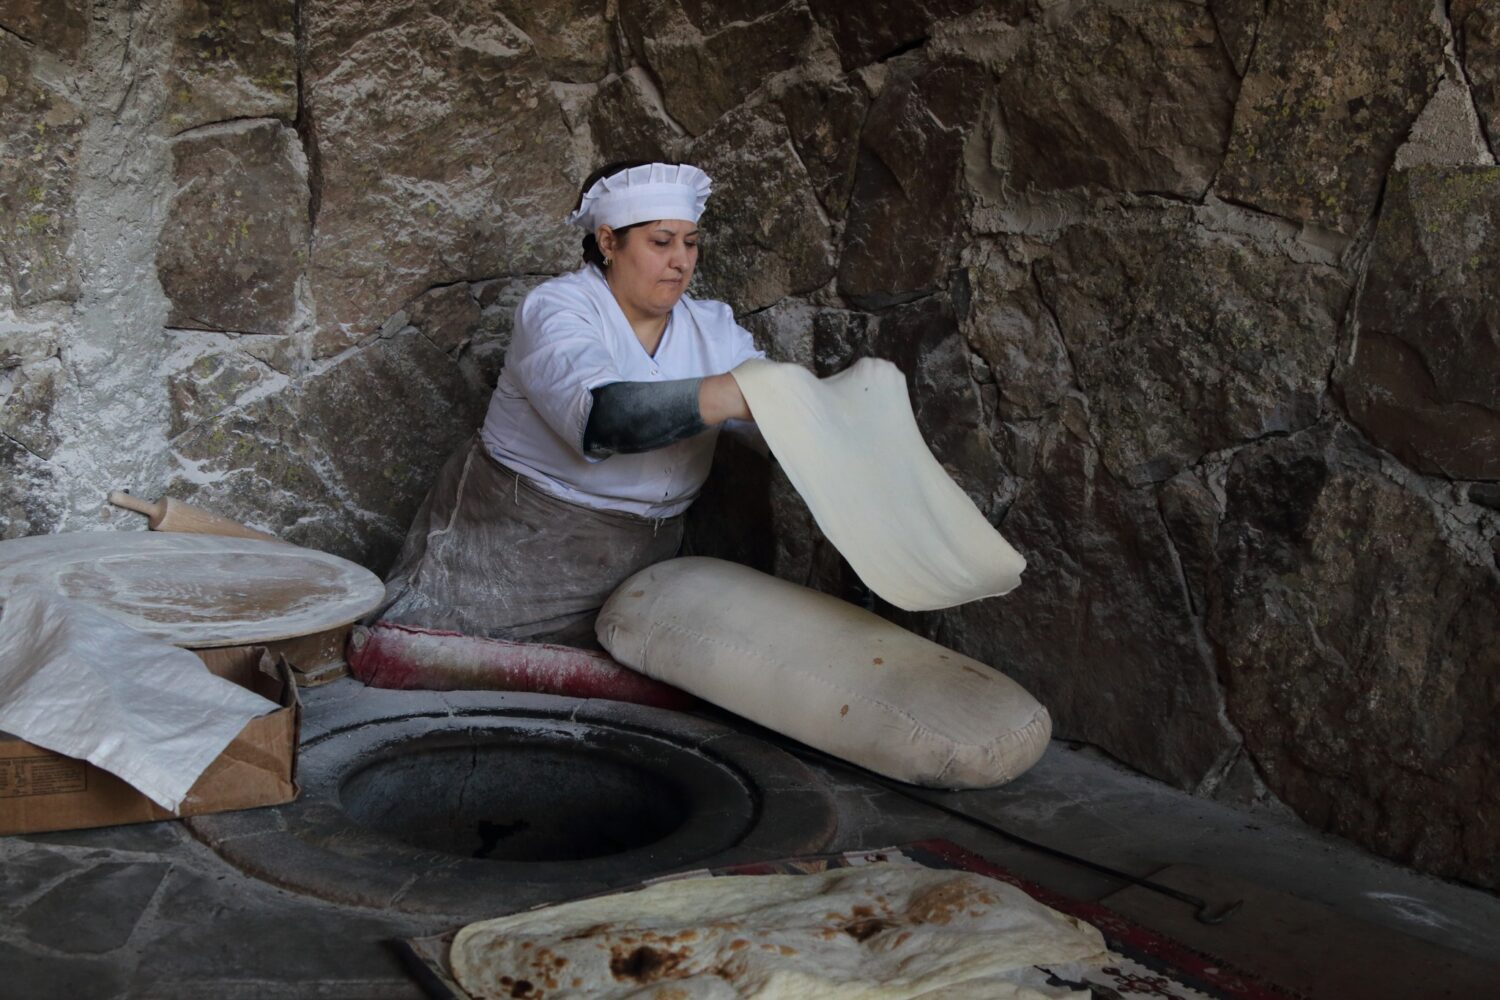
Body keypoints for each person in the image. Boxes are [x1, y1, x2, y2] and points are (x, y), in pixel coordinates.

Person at [373, 161, 763, 648]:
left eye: (691, 242)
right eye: (661, 242)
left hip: (638, 567)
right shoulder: (557, 309)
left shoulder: (715, 329)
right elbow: (606, 419)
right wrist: (730, 393)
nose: (681, 261)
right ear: (607, 242)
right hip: (512, 555)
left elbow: (782, 422)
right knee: (437, 666)